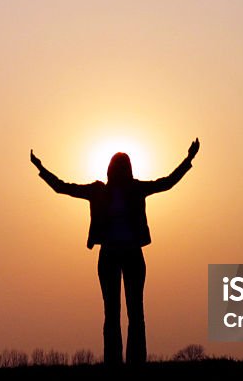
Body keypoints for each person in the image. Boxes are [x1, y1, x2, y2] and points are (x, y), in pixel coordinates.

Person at [30, 139, 200, 365]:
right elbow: (62, 187)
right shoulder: (98, 190)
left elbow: (167, 182)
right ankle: (113, 363)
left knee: (135, 313)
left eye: (123, 167)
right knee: (112, 313)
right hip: (109, 255)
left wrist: (189, 159)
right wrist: (40, 168)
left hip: (132, 255)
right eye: (118, 167)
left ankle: (136, 362)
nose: (120, 171)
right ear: (112, 169)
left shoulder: (136, 189)